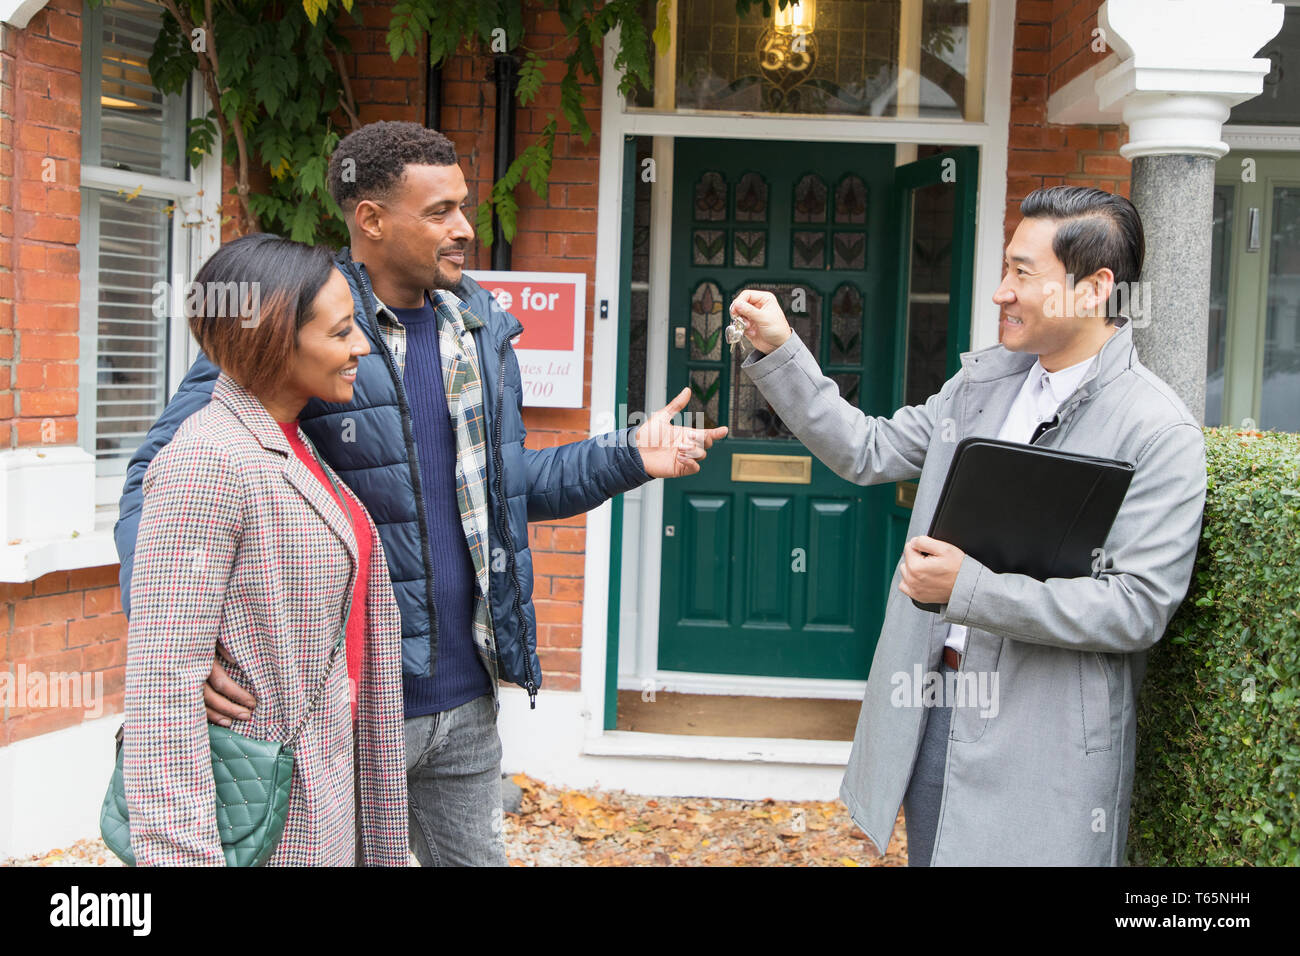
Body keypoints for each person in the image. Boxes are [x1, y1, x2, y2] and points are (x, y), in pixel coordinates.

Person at [115, 121, 728, 867]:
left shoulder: (478, 331)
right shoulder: (307, 323)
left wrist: (626, 455)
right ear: (370, 219)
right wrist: (185, 635)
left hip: (466, 696)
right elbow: (161, 477)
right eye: (439, 211)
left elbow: (502, 490)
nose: (465, 228)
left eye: (462, 206)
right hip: (348, 701)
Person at [729, 186, 1207, 866]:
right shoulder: (983, 387)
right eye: (1005, 268)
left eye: (1022, 273)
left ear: (1093, 288)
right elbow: (869, 449)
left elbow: (1135, 608)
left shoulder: (1158, 431)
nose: (1000, 293)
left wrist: (971, 589)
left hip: (1044, 741)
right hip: (936, 707)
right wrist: (782, 350)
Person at [123, 234, 408, 866]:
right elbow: (163, 689)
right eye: (340, 333)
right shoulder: (207, 459)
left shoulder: (294, 444)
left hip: (325, 799)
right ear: (277, 340)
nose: (362, 345)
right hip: (265, 820)